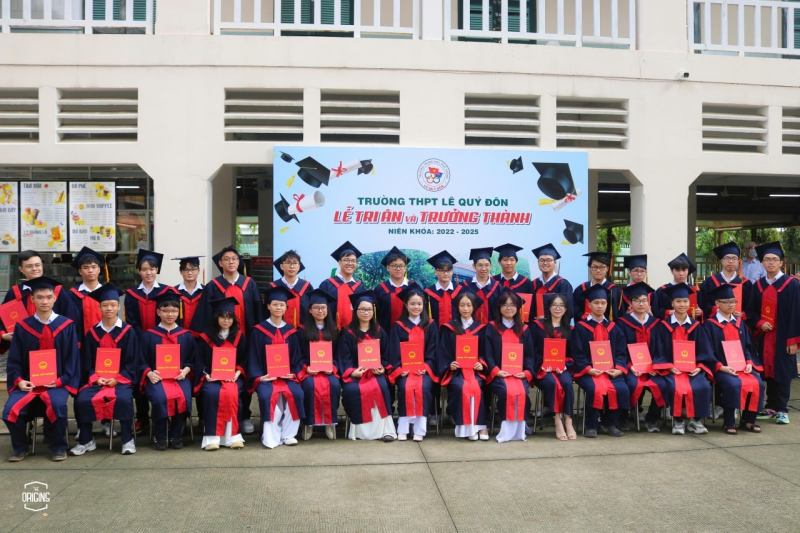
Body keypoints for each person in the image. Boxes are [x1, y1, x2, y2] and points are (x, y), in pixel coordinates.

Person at [2, 277, 80, 462]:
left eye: (48, 297)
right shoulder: (23, 327)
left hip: (57, 383)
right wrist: (19, 381)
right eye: (40, 297)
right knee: (9, 410)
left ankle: (58, 447)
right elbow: (14, 361)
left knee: (58, 405)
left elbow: (72, 361)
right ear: (32, 300)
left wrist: (61, 381)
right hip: (28, 383)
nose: (45, 301)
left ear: (54, 299)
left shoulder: (66, 326)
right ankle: (20, 447)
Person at [192, 245, 263, 435]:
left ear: (239, 262)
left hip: (244, 340)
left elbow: (257, 311)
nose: (231, 262)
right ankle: (210, 418)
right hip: (219, 341)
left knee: (243, 375)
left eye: (234, 259)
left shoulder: (249, 284)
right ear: (220, 263)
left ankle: (244, 415)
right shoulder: (213, 286)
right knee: (218, 380)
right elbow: (206, 315)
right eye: (227, 259)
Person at [71, 284, 140, 456]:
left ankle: (127, 439)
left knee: (123, 399)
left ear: (118, 307)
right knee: (82, 399)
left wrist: (118, 378)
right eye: (105, 305)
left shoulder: (128, 332)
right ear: (99, 307)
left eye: (113, 305)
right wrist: (95, 377)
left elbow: (132, 362)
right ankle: (86, 440)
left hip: (120, 381)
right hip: (97, 380)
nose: (109, 308)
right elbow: (87, 362)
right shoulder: (92, 333)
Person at [746, 242, 800, 425]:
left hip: (784, 336)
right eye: (767, 259)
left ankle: (782, 409)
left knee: (782, 372)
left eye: (774, 259)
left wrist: (794, 340)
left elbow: (797, 314)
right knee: (766, 371)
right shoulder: (758, 286)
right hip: (763, 337)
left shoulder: (792, 285)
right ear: (762, 263)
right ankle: (770, 406)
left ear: (781, 263)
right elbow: (750, 312)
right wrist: (760, 323)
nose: (770, 262)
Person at [700, 284, 765, 434]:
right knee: (733, 384)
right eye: (726, 302)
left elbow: (748, 347)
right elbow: (706, 351)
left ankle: (748, 420)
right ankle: (729, 422)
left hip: (741, 367)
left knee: (758, 383)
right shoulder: (709, 325)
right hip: (721, 368)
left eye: (733, 302)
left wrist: (749, 362)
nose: (731, 305)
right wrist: (720, 367)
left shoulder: (740, 323)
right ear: (717, 303)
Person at [649, 283, 712, 435]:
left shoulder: (696, 326)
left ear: (689, 303)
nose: (682, 305)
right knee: (675, 387)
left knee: (703, 385)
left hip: (692, 370)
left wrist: (699, 367)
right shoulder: (663, 327)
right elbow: (658, 351)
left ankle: (696, 420)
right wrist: (669, 366)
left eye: (685, 301)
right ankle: (678, 420)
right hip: (671, 370)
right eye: (678, 301)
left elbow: (704, 351)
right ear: (672, 304)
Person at [247, 286, 305, 448]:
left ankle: (288, 434)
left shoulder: (291, 332)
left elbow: (297, 358)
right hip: (267, 378)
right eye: (275, 304)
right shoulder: (258, 331)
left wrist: (293, 373)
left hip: (287, 377)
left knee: (297, 394)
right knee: (267, 395)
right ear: (268, 306)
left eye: (282, 305)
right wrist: (261, 377)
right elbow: (253, 357)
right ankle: (271, 436)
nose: (278, 308)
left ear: (286, 307)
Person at [336, 291, 397, 441]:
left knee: (382, 386)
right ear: (356, 311)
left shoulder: (379, 332)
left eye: (369, 309)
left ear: (373, 311)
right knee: (352, 390)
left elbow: (386, 355)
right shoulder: (348, 333)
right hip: (356, 374)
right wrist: (352, 372)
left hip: (375, 373)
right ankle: (360, 432)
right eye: (362, 309)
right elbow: (344, 358)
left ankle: (386, 430)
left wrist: (382, 367)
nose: (365, 312)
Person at [124, 248, 172, 434]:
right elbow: (132, 321)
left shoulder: (166, 291)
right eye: (144, 269)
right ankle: (142, 418)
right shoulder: (132, 294)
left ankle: (165, 416)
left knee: (164, 377)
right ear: (139, 271)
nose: (148, 272)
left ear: (157, 270)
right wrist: (144, 339)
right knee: (141, 379)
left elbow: (170, 317)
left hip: (164, 342)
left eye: (152, 268)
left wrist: (158, 336)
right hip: (139, 343)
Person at [141, 290, 197, 450]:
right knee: (160, 398)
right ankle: (160, 434)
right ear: (158, 312)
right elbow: (141, 360)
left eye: (174, 310)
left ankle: (176, 434)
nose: (170, 314)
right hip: (157, 378)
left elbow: (193, 360)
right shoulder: (149, 335)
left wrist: (185, 371)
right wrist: (149, 373)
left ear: (179, 312)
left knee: (183, 398)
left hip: (179, 377)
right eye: (165, 310)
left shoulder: (186, 335)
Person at [572, 284, 630, 438]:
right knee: (594, 389)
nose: (599, 306)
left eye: (603, 303)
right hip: (588, 371)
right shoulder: (581, 328)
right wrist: (588, 369)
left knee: (621, 388)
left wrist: (619, 368)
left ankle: (611, 423)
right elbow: (577, 353)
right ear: (589, 304)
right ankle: (591, 424)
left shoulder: (614, 328)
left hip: (611, 371)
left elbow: (621, 352)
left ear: (607, 304)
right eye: (596, 303)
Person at [615, 282, 669, 433]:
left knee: (663, 384)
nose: (641, 304)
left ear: (648, 303)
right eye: (637, 300)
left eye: (644, 300)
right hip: (631, 367)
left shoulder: (656, 324)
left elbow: (661, 349)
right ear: (631, 304)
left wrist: (655, 366)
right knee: (631, 383)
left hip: (652, 368)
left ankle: (652, 418)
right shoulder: (622, 324)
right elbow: (619, 349)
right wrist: (629, 366)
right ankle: (625, 416)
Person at [194, 296, 247, 451]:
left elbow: (244, 359)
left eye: (229, 318)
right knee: (212, 394)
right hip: (212, 377)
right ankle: (212, 438)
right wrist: (206, 374)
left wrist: (238, 372)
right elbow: (199, 361)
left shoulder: (239, 336)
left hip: (233, 377)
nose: (226, 321)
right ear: (216, 317)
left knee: (232, 393)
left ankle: (233, 437)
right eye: (223, 317)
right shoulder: (206, 337)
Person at [437, 290, 489, 441]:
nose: (465, 309)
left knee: (477, 385)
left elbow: (486, 351)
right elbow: (443, 351)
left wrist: (481, 363)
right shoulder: (449, 328)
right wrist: (450, 364)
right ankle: (466, 427)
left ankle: (480, 425)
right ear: (457, 307)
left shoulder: (481, 329)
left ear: (474, 307)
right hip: (457, 371)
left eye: (469, 305)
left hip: (476, 371)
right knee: (460, 386)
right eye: (462, 305)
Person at [388, 284, 438, 442]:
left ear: (424, 305)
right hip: (405, 370)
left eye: (419, 304)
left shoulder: (430, 325)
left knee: (424, 387)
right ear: (406, 305)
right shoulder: (398, 326)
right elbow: (393, 351)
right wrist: (399, 369)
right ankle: (403, 428)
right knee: (404, 386)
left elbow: (433, 350)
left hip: (423, 370)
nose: (416, 307)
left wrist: (426, 366)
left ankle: (419, 429)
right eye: (412, 303)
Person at [483, 290, 535, 442]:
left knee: (523, 391)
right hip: (499, 374)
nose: (508, 308)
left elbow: (530, 355)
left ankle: (521, 425)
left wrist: (526, 372)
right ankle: (506, 427)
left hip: (519, 374)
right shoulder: (492, 328)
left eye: (512, 305)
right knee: (506, 391)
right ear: (499, 307)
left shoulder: (524, 329)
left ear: (518, 308)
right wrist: (496, 371)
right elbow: (487, 353)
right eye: (505, 305)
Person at [1, 250, 74, 348]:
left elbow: (70, 316)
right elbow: (3, 319)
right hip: (23, 345)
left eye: (37, 265)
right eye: (29, 266)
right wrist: (3, 335)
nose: (34, 269)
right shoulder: (14, 293)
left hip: (53, 343)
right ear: (21, 269)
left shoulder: (57, 291)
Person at [531, 293, 577, 440]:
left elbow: (573, 354)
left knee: (567, 383)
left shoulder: (569, 329)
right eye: (555, 305)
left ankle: (568, 420)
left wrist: (564, 364)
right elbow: (533, 350)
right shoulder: (538, 327)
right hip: (543, 369)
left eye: (561, 305)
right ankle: (557, 419)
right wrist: (543, 364)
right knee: (551, 383)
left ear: (566, 309)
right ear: (549, 308)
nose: (558, 308)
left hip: (562, 368)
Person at [297, 289, 341, 441]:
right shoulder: (302, 331)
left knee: (334, 385)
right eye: (316, 308)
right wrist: (306, 368)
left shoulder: (334, 330)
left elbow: (338, 355)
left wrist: (333, 367)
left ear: (328, 310)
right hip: (310, 371)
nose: (320, 311)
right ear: (310, 310)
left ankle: (330, 422)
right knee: (309, 386)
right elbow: (298, 355)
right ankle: (309, 423)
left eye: (323, 307)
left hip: (329, 371)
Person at [318, 241, 365, 330]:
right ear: (339, 262)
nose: (350, 263)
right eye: (346, 260)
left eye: (353, 261)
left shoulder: (360, 287)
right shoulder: (327, 285)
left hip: (355, 332)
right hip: (331, 331)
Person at [699, 242, 752, 320]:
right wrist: (715, 310)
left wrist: (743, 314)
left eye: (734, 258)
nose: (730, 261)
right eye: (727, 258)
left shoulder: (746, 284)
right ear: (721, 261)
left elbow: (751, 307)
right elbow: (703, 303)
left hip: (738, 324)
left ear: (738, 261)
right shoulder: (709, 282)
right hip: (715, 324)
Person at [64, 246, 105, 336]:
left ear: (99, 270)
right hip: (80, 339)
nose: (90, 270)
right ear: (80, 271)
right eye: (86, 267)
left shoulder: (107, 292)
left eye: (94, 267)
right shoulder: (71, 295)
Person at [572, 251, 621, 321]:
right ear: (590, 268)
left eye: (602, 267)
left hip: (608, 327)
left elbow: (618, 315)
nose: (598, 270)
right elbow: (576, 312)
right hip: (585, 326)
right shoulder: (580, 290)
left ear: (607, 268)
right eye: (595, 267)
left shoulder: (615, 291)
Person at [270, 250, 313, 329]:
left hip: (302, 331)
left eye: (295, 263)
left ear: (299, 266)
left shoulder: (307, 287)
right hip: (279, 330)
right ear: (282, 266)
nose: (292, 266)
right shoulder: (273, 287)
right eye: (288, 263)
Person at [529, 243, 573, 321]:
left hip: (556, 327)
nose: (545, 263)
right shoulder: (533, 284)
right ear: (538, 262)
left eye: (549, 260)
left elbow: (569, 311)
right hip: (535, 326)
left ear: (555, 262)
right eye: (542, 260)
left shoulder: (563, 284)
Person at [654, 253, 703, 321]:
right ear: (672, 271)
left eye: (684, 270)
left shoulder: (695, 290)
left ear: (688, 271)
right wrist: (667, 312)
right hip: (668, 325)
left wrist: (701, 312)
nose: (681, 273)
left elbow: (704, 309)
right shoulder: (662, 290)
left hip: (690, 326)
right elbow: (655, 311)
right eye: (677, 270)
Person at [375, 246, 412, 333]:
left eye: (401, 266)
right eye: (394, 265)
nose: (398, 269)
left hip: (410, 334)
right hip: (385, 334)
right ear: (388, 268)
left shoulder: (412, 287)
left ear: (405, 268)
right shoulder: (380, 289)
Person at [424, 250, 464, 327]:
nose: (446, 273)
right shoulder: (427, 293)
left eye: (448, 270)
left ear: (452, 272)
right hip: (435, 332)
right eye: (442, 270)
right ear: (436, 272)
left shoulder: (460, 291)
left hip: (456, 332)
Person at [462, 247, 501, 325]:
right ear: (474, 266)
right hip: (470, 329)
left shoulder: (498, 288)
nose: (484, 268)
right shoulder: (465, 286)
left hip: (492, 329)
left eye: (487, 265)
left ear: (491, 266)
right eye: (480, 265)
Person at [172, 256, 204, 334]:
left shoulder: (206, 291)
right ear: (181, 271)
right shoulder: (173, 292)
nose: (190, 273)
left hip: (201, 336)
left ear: (198, 270)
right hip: (179, 335)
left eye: (193, 269)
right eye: (186, 270)